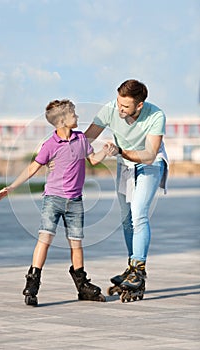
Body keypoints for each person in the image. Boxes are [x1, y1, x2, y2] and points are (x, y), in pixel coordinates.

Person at [0, 99, 113, 305]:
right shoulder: (50, 145)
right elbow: (33, 168)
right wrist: (12, 187)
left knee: (76, 244)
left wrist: (107, 152)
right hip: (53, 200)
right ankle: (33, 282)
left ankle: (82, 285)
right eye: (73, 114)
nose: (77, 117)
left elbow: (93, 159)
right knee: (45, 240)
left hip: (75, 201)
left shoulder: (81, 139)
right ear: (61, 121)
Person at [84, 79, 168, 302]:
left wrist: (119, 150)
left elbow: (149, 154)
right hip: (125, 166)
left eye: (125, 106)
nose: (119, 109)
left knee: (139, 213)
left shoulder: (156, 116)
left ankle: (138, 269)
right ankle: (132, 267)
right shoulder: (111, 109)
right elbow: (86, 138)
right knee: (126, 217)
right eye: (119, 103)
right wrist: (61, 151)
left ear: (139, 106)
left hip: (151, 164)